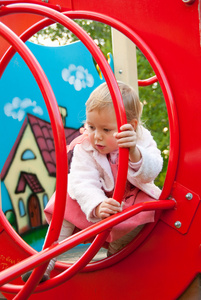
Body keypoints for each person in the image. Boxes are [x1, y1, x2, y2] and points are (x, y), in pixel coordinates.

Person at [22, 81, 163, 282]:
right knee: (64, 201)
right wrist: (97, 205)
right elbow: (82, 180)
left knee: (145, 213)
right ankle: (46, 261)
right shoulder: (86, 145)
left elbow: (152, 171)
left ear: (129, 127)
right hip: (95, 199)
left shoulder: (140, 140)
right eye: (91, 126)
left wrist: (134, 153)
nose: (97, 136)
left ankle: (116, 253)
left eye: (106, 129)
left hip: (129, 201)